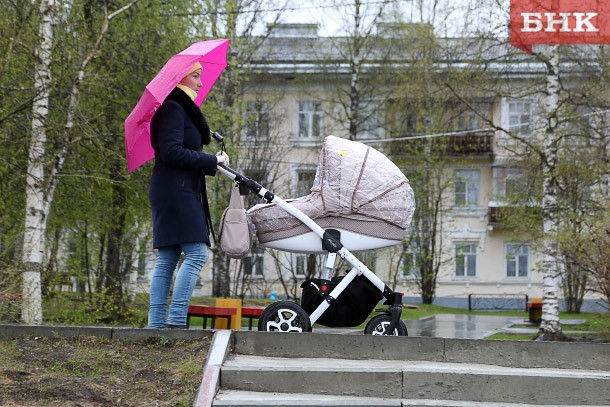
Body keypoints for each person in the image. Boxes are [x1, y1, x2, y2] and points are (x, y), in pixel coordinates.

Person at [147, 62, 229, 329]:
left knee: (169, 255)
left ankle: (157, 324)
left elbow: (179, 153)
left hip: (174, 187)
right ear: (180, 78)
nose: (200, 82)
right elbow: (171, 152)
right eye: (196, 76)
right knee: (196, 254)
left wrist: (212, 162)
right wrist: (211, 160)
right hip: (176, 191)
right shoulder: (172, 109)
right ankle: (175, 321)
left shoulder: (177, 109)